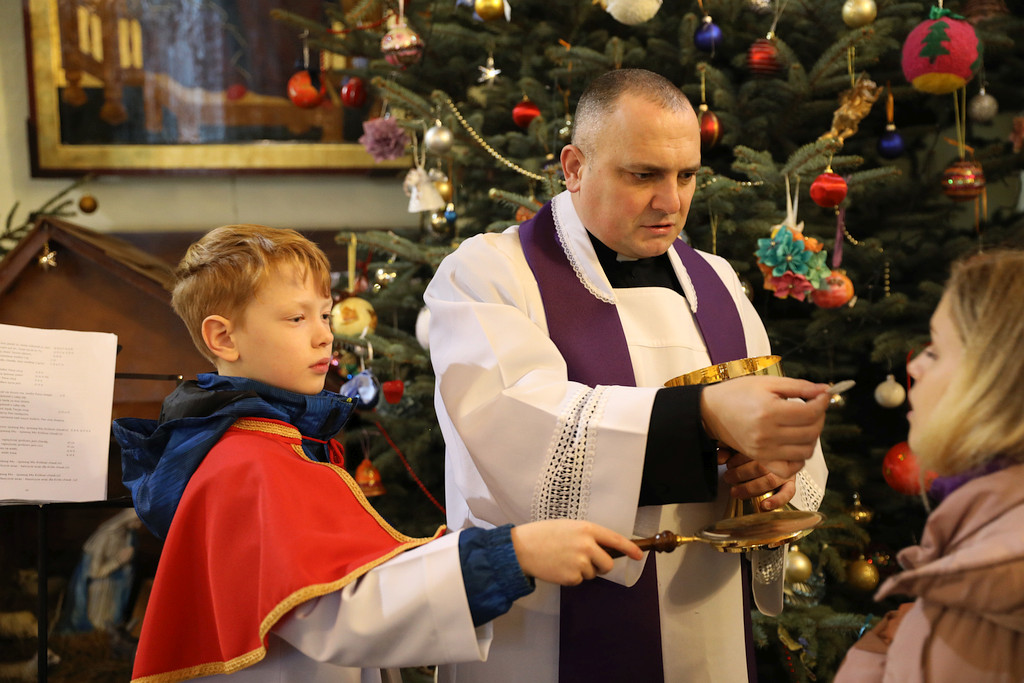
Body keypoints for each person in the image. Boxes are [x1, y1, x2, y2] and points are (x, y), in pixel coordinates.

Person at [424, 68, 831, 683]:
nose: (671, 202)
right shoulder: (488, 275)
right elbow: (512, 431)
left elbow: (775, 419)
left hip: (707, 624)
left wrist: (778, 474)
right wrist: (702, 413)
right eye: (643, 175)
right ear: (574, 167)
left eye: (686, 175)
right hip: (547, 635)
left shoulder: (718, 281)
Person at [111, 224, 642, 683]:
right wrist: (510, 556)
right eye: (296, 319)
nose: (324, 337)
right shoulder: (249, 462)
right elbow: (341, 614)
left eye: (325, 315)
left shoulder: (265, 444)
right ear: (224, 338)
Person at [834, 249, 1024, 682]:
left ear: (995, 380)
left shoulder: (990, 579)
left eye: (935, 352)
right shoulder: (986, 534)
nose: (915, 367)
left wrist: (882, 649)